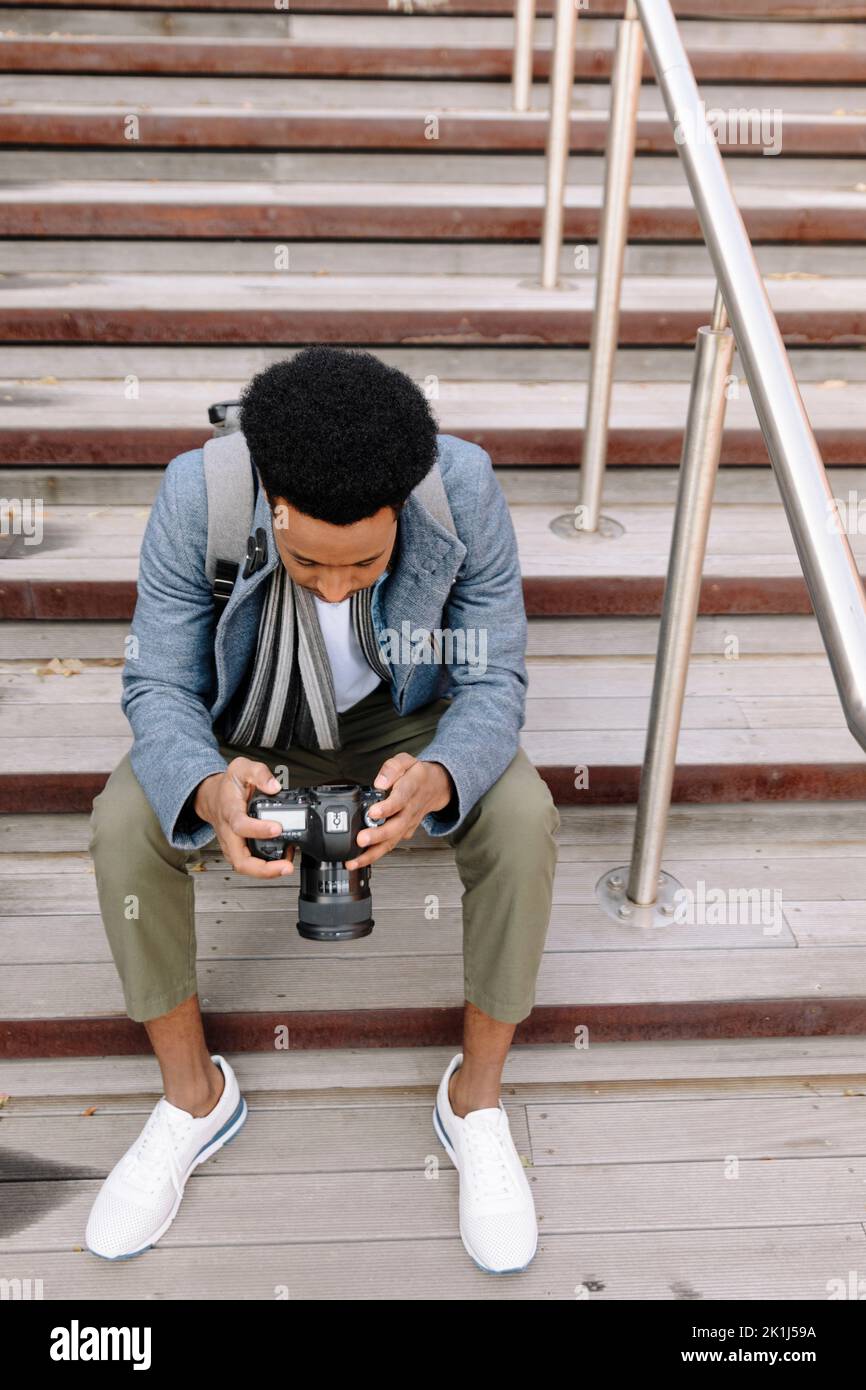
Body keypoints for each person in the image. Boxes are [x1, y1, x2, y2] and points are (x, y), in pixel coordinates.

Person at [85, 345, 560, 1275]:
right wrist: (210, 787)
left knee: (525, 815)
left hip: (405, 717)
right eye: (309, 563)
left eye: (365, 564)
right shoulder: (199, 495)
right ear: (274, 505)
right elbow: (159, 684)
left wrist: (444, 773)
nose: (338, 586)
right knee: (121, 822)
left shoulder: (461, 487)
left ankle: (477, 1101)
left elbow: (492, 674)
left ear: (402, 509)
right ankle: (192, 1098)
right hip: (251, 714)